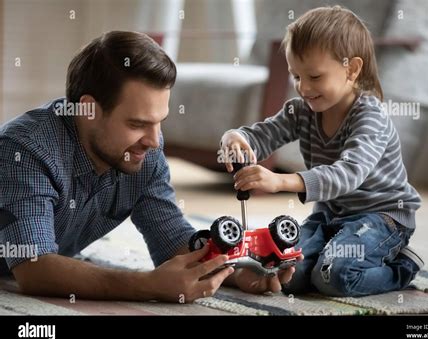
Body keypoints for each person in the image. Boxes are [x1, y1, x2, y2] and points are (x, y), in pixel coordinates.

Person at [0, 31, 296, 302]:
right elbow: (34, 268)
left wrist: (234, 270)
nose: (154, 141)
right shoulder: (25, 150)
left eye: (159, 122)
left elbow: (172, 239)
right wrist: (148, 286)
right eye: (137, 124)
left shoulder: (141, 154)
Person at [220, 6, 424, 297]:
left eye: (314, 77)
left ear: (352, 69)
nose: (303, 87)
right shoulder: (301, 111)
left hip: (381, 217)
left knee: (335, 278)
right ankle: (331, 251)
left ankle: (401, 267)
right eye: (296, 76)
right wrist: (237, 137)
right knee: (287, 274)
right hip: (330, 214)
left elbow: (348, 174)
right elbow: (264, 134)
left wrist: (280, 181)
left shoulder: (370, 118)